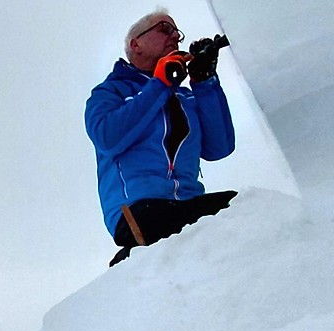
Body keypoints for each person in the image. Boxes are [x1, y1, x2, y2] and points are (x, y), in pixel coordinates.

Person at [85, 10, 237, 266]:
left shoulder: (184, 96)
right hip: (139, 209)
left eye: (177, 33)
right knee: (168, 221)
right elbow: (107, 137)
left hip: (188, 203)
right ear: (136, 44)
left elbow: (218, 147)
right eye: (165, 29)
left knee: (243, 209)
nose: (175, 36)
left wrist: (204, 82)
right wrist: (160, 83)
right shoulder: (111, 92)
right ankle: (131, 267)